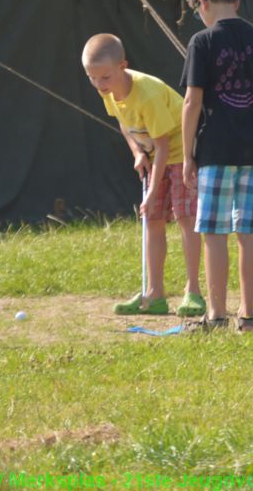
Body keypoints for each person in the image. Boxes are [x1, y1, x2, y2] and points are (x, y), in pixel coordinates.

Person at [180, 0, 253, 333]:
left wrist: (188, 153)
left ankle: (216, 315)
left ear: (201, 1)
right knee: (250, 233)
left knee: (213, 232)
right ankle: (248, 315)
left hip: (216, 151)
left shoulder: (202, 42)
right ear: (237, 1)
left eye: (196, 10)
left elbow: (192, 102)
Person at [81, 33, 205, 318]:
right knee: (153, 219)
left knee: (186, 218)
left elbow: (163, 145)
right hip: (154, 155)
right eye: (92, 78)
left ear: (123, 65)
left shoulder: (146, 94)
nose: (99, 85)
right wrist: (137, 151)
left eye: (104, 78)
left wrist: (150, 193)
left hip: (179, 151)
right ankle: (155, 295)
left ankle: (193, 292)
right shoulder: (110, 91)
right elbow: (125, 124)